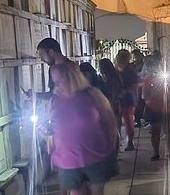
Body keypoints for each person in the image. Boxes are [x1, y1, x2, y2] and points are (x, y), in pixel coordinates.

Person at [48, 63, 118, 195]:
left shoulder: (92, 94)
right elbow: (52, 126)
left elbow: (110, 121)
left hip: (95, 155)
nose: (58, 85)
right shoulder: (54, 100)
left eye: (60, 80)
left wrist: (111, 144)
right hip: (68, 158)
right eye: (55, 81)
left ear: (72, 78)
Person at [141, 57, 169, 161]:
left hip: (167, 107)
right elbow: (145, 96)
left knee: (169, 131)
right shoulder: (147, 80)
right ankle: (156, 152)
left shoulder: (165, 78)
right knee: (155, 131)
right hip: (154, 107)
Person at [115, 49, 138, 151]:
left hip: (127, 98)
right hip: (121, 98)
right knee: (122, 121)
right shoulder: (118, 70)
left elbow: (134, 86)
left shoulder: (129, 71)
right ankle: (121, 141)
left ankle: (129, 142)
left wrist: (126, 92)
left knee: (127, 121)